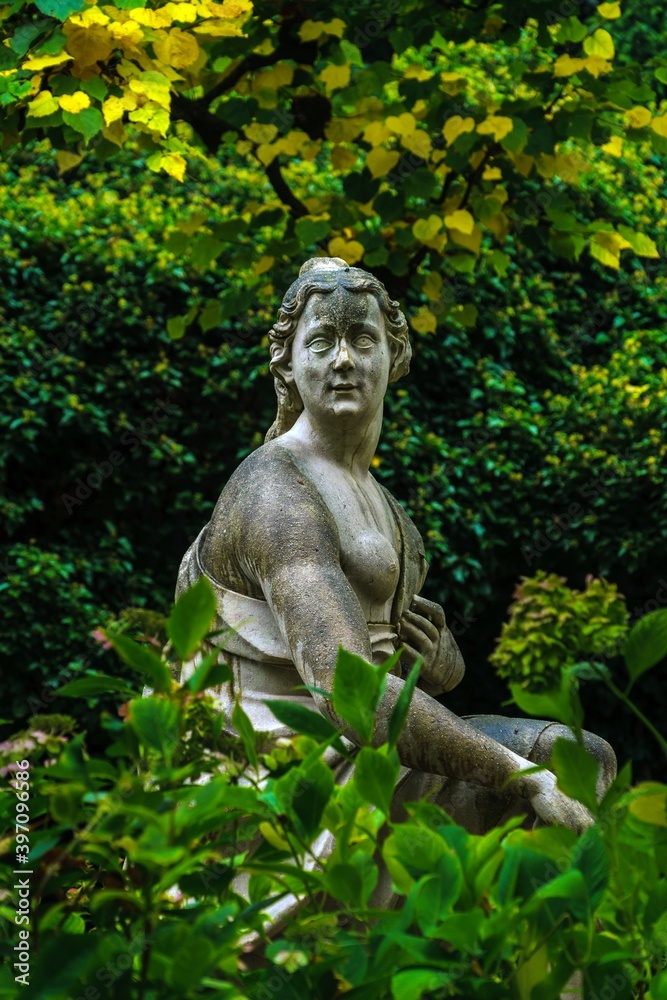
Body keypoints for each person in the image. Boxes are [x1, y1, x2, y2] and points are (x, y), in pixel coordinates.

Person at [177, 257, 616, 858]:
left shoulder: (388, 509)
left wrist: (439, 665)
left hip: (374, 750)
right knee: (552, 772)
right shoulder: (273, 489)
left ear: (395, 355)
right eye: (321, 341)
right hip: (291, 767)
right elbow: (351, 692)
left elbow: (397, 654)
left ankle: (509, 948)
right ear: (286, 362)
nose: (343, 361)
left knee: (582, 758)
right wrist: (524, 775)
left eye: (362, 338)